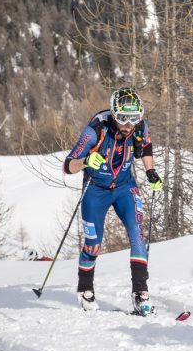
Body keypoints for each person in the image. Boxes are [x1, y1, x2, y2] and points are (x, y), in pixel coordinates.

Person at [63, 87, 163, 315]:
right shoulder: (94, 130)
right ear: (114, 114)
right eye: (123, 120)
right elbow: (68, 166)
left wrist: (151, 171)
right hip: (96, 190)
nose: (129, 126)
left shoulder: (139, 127)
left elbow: (145, 147)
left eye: (134, 119)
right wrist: (87, 160)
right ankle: (85, 287)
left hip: (125, 187)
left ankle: (141, 293)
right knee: (93, 243)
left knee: (137, 233)